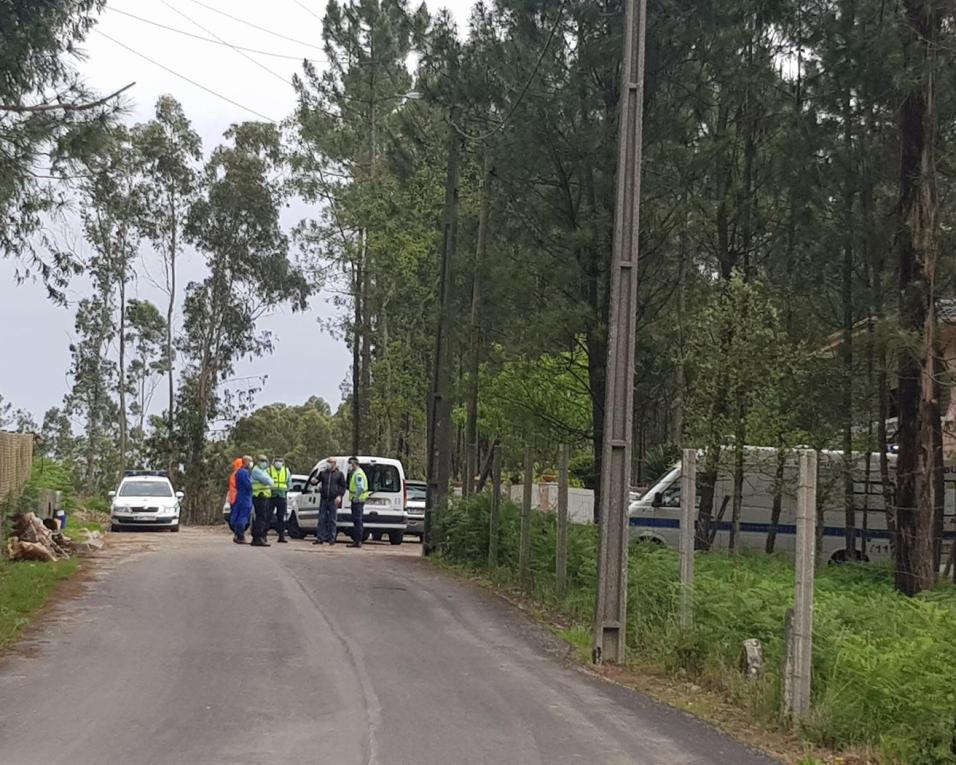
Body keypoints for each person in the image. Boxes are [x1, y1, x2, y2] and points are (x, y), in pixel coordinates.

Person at [312, 457, 346, 545]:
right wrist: (314, 481)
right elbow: (316, 481)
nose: (328, 464)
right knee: (321, 519)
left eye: (329, 462)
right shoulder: (323, 473)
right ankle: (320, 537)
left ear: (334, 463)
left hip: (333, 499)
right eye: (327, 462)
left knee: (332, 520)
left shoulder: (339, 474)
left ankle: (332, 538)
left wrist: (339, 496)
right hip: (324, 499)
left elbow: (343, 487)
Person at [250, 454, 275, 548]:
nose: (263, 462)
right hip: (259, 496)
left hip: (263, 496)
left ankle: (257, 537)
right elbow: (269, 481)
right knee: (261, 517)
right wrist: (270, 480)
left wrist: (270, 480)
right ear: (257, 461)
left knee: (261, 517)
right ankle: (258, 537)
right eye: (261, 460)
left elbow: (269, 481)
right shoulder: (257, 471)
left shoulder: (263, 470)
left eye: (265, 460)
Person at [346, 457, 369, 548]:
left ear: (353, 464)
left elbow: (361, 487)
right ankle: (357, 540)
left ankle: (357, 541)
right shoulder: (358, 473)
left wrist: (356, 497)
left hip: (358, 501)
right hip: (359, 500)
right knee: (357, 520)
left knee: (357, 521)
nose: (349, 466)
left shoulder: (358, 474)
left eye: (350, 464)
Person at [268, 456, 291, 544]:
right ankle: (264, 534)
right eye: (277, 461)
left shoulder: (286, 470)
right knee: (268, 516)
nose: (279, 462)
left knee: (281, 517)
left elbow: (289, 483)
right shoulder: (269, 470)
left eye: (280, 461)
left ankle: (281, 536)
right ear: (273, 462)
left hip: (282, 496)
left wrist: (286, 491)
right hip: (271, 496)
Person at [232, 456, 254, 544]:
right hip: (245, 497)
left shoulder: (238, 472)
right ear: (247, 462)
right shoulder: (244, 472)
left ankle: (237, 535)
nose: (251, 463)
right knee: (243, 517)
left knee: (239, 517)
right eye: (250, 461)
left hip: (240, 496)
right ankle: (240, 536)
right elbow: (248, 485)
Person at [227, 456, 244, 534]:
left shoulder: (234, 473)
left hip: (233, 497)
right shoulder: (238, 474)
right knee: (238, 516)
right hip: (237, 497)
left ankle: (237, 533)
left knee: (236, 515)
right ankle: (238, 533)